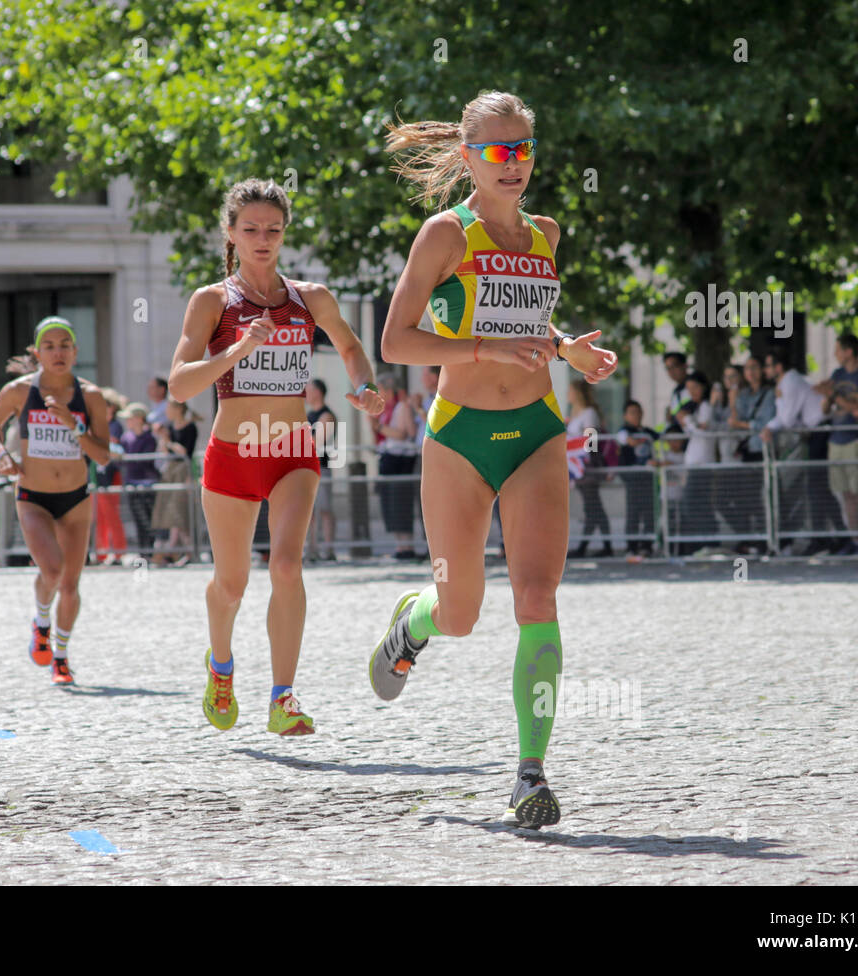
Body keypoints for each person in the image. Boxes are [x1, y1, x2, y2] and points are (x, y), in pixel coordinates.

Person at [366, 91, 617, 828]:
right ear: (470, 156)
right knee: (463, 612)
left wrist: (566, 348)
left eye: (523, 150)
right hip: (459, 439)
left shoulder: (545, 232)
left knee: (537, 600)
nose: (513, 164)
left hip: (538, 429)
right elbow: (395, 343)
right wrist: (484, 348)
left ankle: (529, 774)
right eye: (498, 151)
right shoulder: (445, 234)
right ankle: (415, 622)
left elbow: (529, 319)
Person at [168, 176, 384, 736]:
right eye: (251, 229)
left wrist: (362, 385)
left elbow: (352, 347)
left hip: (291, 451)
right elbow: (178, 385)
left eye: (273, 229)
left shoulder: (310, 298)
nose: (263, 239)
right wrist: (239, 349)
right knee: (232, 583)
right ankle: (221, 666)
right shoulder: (212, 302)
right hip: (232, 456)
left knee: (287, 565)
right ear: (231, 234)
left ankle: (283, 697)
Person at [0, 317, 110, 684]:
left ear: (76, 351)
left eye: (65, 345)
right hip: (33, 496)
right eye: (50, 346)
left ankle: (61, 655)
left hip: (75, 498)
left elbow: (103, 456)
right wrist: (0, 457)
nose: (58, 352)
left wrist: (75, 425)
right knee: (52, 570)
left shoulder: (92, 396)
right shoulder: (19, 392)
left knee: (70, 584)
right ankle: (41, 620)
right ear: (37, 353)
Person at [762, 349, 839, 555]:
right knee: (817, 488)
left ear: (778, 367)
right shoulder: (788, 382)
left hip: (819, 432)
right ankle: (833, 536)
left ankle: (830, 537)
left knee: (817, 488)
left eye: (769, 366)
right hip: (813, 433)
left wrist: (777, 405)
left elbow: (786, 419)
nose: (766, 370)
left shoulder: (789, 382)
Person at [815, 335, 858, 554]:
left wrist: (833, 394)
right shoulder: (837, 375)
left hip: (855, 438)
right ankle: (854, 538)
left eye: (838, 350)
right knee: (846, 494)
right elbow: (825, 409)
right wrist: (826, 397)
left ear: (849, 351)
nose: (835, 354)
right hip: (836, 438)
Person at [725, 355, 776, 553]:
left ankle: (766, 538)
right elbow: (735, 422)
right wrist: (732, 400)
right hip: (747, 449)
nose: (751, 372)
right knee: (746, 497)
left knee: (764, 497)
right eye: (747, 369)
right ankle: (748, 538)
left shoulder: (770, 393)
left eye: (754, 367)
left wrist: (741, 424)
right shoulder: (744, 395)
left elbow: (764, 422)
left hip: (762, 450)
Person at [674, 370, 724, 555]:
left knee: (694, 503)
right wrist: (689, 422)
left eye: (695, 387)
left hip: (703, 463)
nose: (693, 392)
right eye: (689, 389)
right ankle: (704, 542)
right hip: (694, 462)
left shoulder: (706, 406)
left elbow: (704, 431)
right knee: (696, 504)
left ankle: (709, 541)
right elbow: (695, 430)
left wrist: (687, 421)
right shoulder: (695, 408)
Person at [371, 373, 421, 559]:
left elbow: (404, 434)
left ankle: (406, 545)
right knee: (390, 505)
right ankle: (400, 545)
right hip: (389, 459)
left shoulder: (402, 407)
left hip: (401, 461)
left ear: (389, 390)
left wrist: (379, 427)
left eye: (381, 390)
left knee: (401, 503)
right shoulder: (386, 410)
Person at [565, 379, 613, 557]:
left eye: (571, 390)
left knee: (593, 506)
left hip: (587, 465)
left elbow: (591, 441)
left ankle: (590, 546)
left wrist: (583, 457)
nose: (568, 393)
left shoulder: (589, 413)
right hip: (577, 466)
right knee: (592, 506)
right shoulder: (576, 414)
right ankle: (596, 546)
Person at [150, 399, 199, 566]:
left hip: (183, 471)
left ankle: (173, 551)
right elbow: (166, 452)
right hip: (171, 470)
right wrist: (163, 438)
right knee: (171, 512)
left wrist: (169, 441)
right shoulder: (170, 428)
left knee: (180, 512)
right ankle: (182, 551)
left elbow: (185, 451)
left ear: (178, 409)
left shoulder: (190, 427)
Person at [615, 400, 658, 555]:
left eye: (638, 412)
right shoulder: (625, 431)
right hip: (632, 476)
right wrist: (628, 440)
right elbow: (621, 436)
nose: (636, 415)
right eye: (632, 412)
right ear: (625, 416)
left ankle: (647, 545)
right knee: (633, 510)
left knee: (649, 511)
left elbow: (660, 437)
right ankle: (631, 546)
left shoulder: (647, 432)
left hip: (647, 476)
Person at [92, 387, 129, 565]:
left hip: (111, 474)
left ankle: (119, 553)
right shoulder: (98, 425)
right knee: (100, 516)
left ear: (112, 407)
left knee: (112, 515)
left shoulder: (115, 426)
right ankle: (101, 554)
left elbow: (116, 451)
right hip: (98, 475)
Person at [117, 402, 159, 557]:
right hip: (131, 482)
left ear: (139, 419)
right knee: (137, 518)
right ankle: (143, 551)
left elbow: (146, 460)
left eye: (130, 418)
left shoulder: (149, 438)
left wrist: (127, 458)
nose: (127, 421)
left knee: (148, 519)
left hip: (147, 483)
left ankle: (150, 551)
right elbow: (122, 460)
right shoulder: (126, 437)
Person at [305, 378, 338, 561]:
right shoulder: (309, 415)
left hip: (322, 467)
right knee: (309, 512)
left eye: (309, 390)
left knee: (324, 508)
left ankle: (328, 548)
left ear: (318, 391)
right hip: (308, 468)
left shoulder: (327, 415)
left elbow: (316, 442)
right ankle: (312, 548)